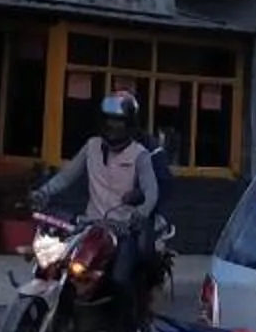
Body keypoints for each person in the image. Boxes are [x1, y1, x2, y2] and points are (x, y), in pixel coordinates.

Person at [38, 90, 163, 317]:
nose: (112, 126)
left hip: (123, 230)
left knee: (118, 278)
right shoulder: (92, 146)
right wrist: (42, 193)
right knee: (53, 264)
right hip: (89, 226)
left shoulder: (140, 155)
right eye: (108, 120)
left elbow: (151, 192)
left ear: (129, 125)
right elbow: (66, 177)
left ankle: (124, 327)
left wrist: (141, 212)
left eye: (118, 121)